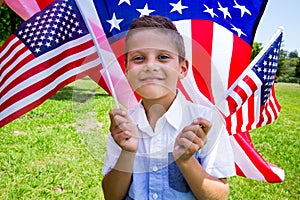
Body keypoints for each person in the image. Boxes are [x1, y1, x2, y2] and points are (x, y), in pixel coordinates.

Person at [102, 15, 235, 200]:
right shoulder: (123, 125)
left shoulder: (207, 121)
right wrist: (127, 152)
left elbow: (219, 196)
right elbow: (111, 196)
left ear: (182, 68)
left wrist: (186, 161)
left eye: (163, 57)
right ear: (126, 69)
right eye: (138, 58)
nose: (150, 66)